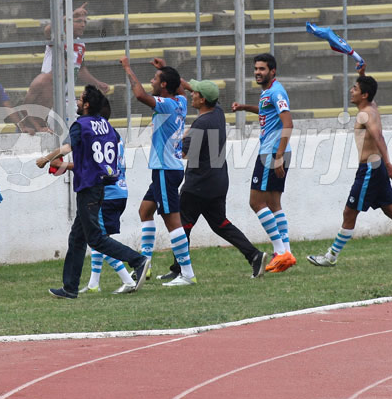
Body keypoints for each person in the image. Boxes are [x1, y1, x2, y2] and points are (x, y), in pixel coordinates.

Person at [150, 59, 268, 281]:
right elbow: (194, 89)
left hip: (199, 184)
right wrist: (170, 72)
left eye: (195, 93)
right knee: (220, 224)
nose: (191, 94)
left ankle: (182, 271)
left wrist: (176, 135)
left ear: (202, 99)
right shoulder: (218, 112)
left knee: (181, 224)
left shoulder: (200, 125)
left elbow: (184, 153)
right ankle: (254, 255)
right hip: (218, 180)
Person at [306, 66, 392, 268]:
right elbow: (371, 96)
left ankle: (331, 257)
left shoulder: (365, 114)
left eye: (355, 88)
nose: (351, 91)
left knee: (349, 212)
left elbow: (378, 136)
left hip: (371, 170)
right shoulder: (371, 107)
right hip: (375, 168)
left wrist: (388, 163)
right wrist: (363, 76)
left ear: (364, 94)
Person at [37, 85, 149, 299]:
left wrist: (45, 159)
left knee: (96, 239)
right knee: (77, 237)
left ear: (87, 105)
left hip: (88, 187)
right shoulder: (107, 126)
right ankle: (70, 288)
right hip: (100, 185)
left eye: (80, 99)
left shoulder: (80, 125)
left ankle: (138, 260)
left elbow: (66, 149)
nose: (78, 102)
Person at [120, 55, 198, 287]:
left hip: (165, 170)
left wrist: (127, 68)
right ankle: (145, 264)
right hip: (166, 169)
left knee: (171, 220)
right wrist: (165, 69)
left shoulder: (166, 104)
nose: (151, 81)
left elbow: (140, 95)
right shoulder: (181, 102)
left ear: (164, 85)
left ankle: (187, 274)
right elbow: (181, 87)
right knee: (145, 211)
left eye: (155, 78)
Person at [55, 100, 138, 295]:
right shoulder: (113, 134)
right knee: (83, 235)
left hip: (104, 191)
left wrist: (50, 161)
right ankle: (88, 283)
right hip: (117, 189)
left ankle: (134, 269)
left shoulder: (90, 132)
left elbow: (89, 165)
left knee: (97, 238)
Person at [231, 53, 296, 273]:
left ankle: (280, 251)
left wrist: (277, 156)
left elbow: (288, 123)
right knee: (274, 204)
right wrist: (244, 107)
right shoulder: (268, 92)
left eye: (262, 69)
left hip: (271, 154)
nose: (257, 72)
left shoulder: (276, 91)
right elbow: (267, 112)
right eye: (256, 69)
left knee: (256, 202)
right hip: (276, 152)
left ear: (272, 71)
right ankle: (286, 253)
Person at [21, 2, 111, 134]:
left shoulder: (81, 44)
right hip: (50, 94)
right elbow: (47, 31)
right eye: (78, 21)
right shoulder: (58, 38)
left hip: (68, 95)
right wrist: (70, 15)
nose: (83, 24)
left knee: (74, 133)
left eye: (85, 22)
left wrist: (97, 83)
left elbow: (80, 69)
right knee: (57, 134)